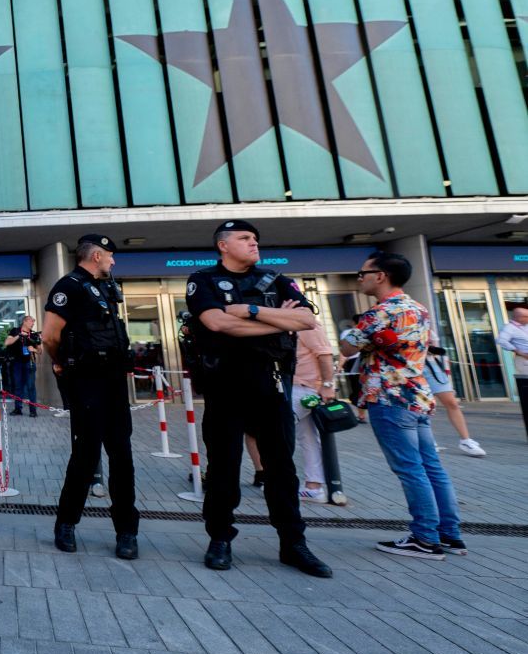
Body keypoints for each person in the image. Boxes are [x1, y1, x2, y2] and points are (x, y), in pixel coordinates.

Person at [182, 220, 331, 578]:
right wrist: (281, 320)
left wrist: (249, 311)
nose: (254, 244)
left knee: (282, 469)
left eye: (256, 239)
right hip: (225, 387)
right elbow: (217, 324)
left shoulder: (276, 280)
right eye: (245, 238)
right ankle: (220, 539)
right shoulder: (202, 281)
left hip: (272, 384)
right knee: (224, 468)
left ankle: (293, 543)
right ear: (223, 245)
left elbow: (308, 320)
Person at [345, 252, 465, 559]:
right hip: (417, 396)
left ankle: (424, 538)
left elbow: (347, 347)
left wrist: (356, 336)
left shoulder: (380, 312)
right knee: (431, 468)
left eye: (363, 273)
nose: (360, 278)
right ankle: (449, 535)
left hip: (388, 398)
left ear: (380, 276)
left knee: (410, 470)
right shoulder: (418, 308)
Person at [41, 235, 138, 560]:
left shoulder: (108, 289)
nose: (113, 262)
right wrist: (61, 363)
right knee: (85, 456)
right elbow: (50, 336)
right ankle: (66, 523)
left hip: (113, 381)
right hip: (87, 381)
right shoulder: (68, 286)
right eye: (110, 256)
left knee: (122, 456)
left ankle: (127, 531)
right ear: (96, 255)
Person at [291, 326, 337, 502]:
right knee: (308, 437)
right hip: (303, 387)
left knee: (278, 434)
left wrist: (327, 385)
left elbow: (324, 354)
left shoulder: (306, 323)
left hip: (303, 388)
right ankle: (313, 486)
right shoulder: (296, 320)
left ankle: (307, 485)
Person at [424, 342, 484, 457]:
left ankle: (466, 441)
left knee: (452, 403)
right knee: (424, 406)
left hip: (431, 364)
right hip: (409, 365)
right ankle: (428, 441)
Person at [495, 306, 528, 439]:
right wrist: (517, 351)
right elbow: (501, 340)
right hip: (524, 360)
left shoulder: (525, 326)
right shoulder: (509, 328)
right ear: (518, 317)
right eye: (526, 316)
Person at [0, 315, 40, 416]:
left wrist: (34, 349)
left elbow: (40, 351)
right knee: (18, 387)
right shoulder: (15, 331)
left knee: (31, 387)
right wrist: (19, 336)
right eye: (31, 321)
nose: (33, 324)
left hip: (29, 363)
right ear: (25, 322)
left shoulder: (34, 334)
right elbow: (7, 342)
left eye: (33, 322)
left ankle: (33, 411)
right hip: (17, 363)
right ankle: (18, 409)